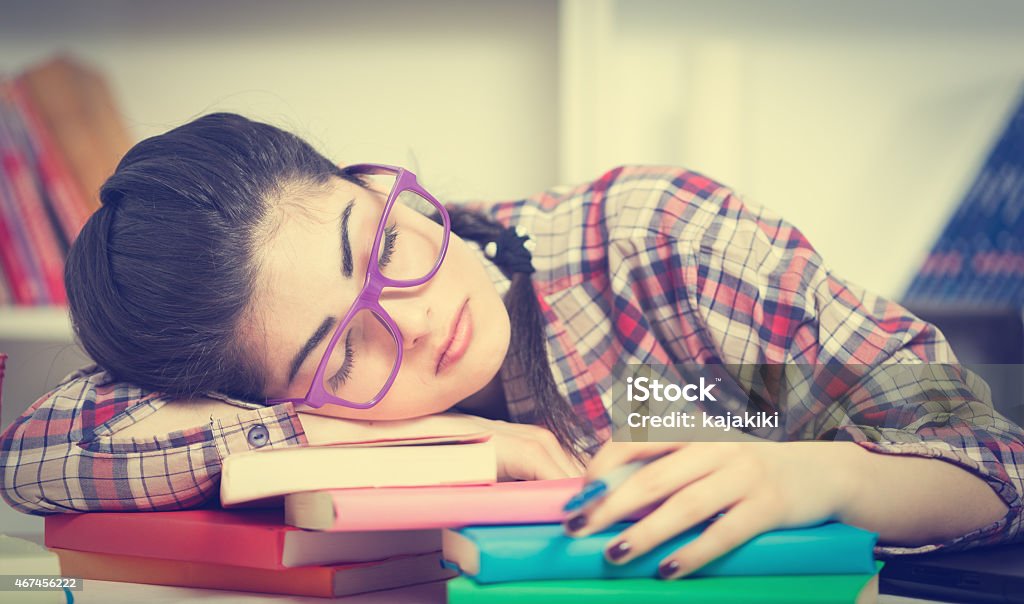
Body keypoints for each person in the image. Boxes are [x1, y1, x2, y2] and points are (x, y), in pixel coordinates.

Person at [1, 113, 1022, 579]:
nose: (415, 316)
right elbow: (40, 452)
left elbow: (987, 451)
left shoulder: (652, 245)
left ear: (371, 179)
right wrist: (426, 444)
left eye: (384, 242)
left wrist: (818, 476)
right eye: (344, 349)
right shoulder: (295, 394)